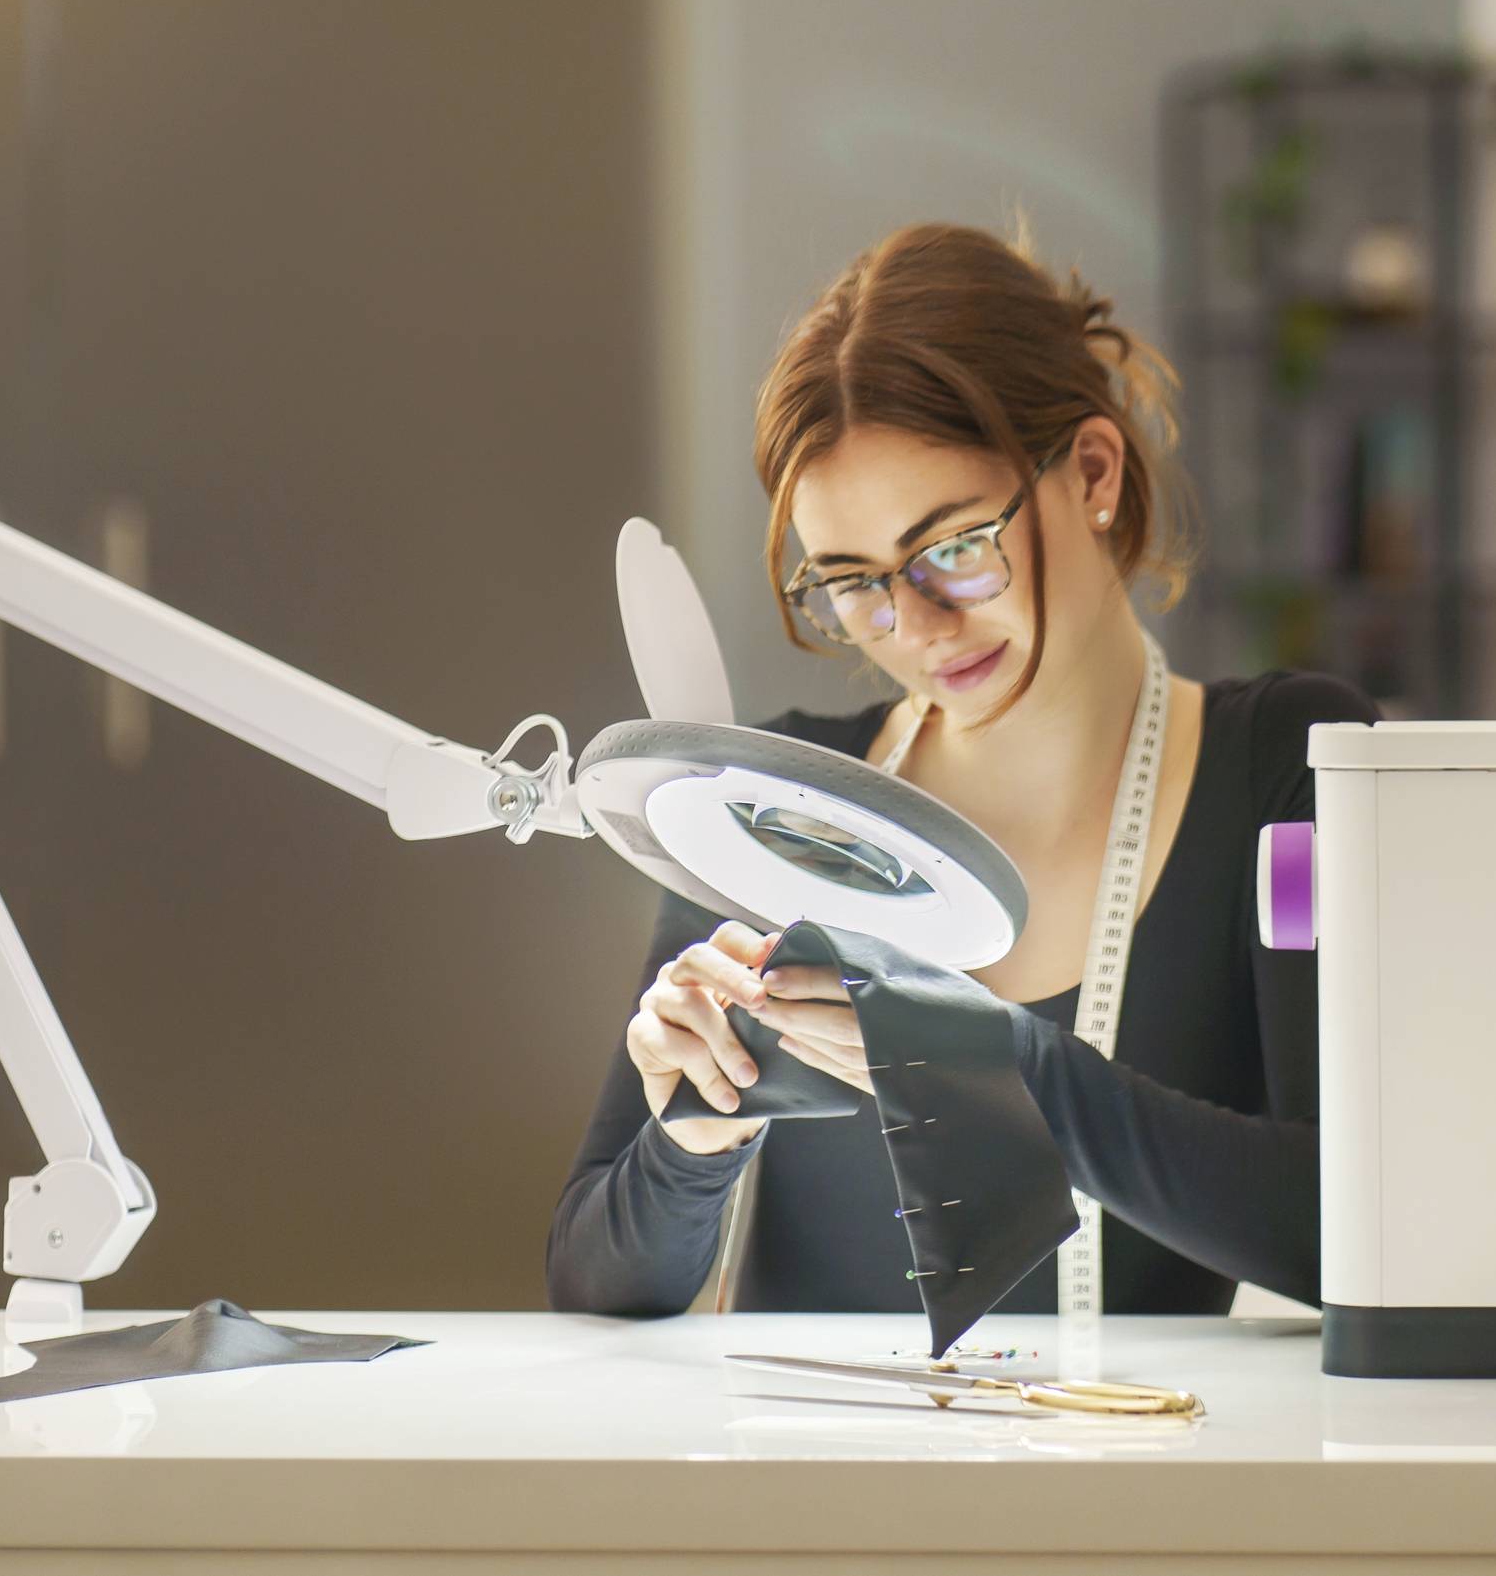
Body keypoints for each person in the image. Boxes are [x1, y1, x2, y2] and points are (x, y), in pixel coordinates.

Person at [546, 221, 1375, 1322]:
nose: (916, 624)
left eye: (953, 548)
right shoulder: (779, 806)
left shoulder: (1285, 785)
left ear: (1092, 470)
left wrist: (1003, 1069)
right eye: (853, 581)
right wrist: (695, 1129)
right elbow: (594, 1279)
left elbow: (1347, 1229)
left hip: (1129, 1488)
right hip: (806, 1490)